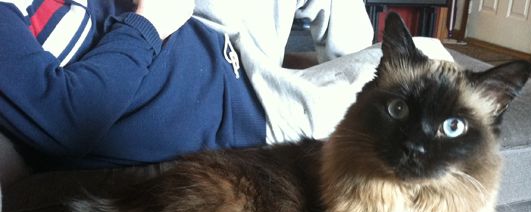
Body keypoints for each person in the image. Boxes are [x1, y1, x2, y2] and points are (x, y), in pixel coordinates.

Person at [0, 0, 376, 170]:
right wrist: (150, 22)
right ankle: (351, 67)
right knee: (420, 65)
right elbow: (67, 121)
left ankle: (350, 56)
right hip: (244, 113)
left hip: (211, 35)